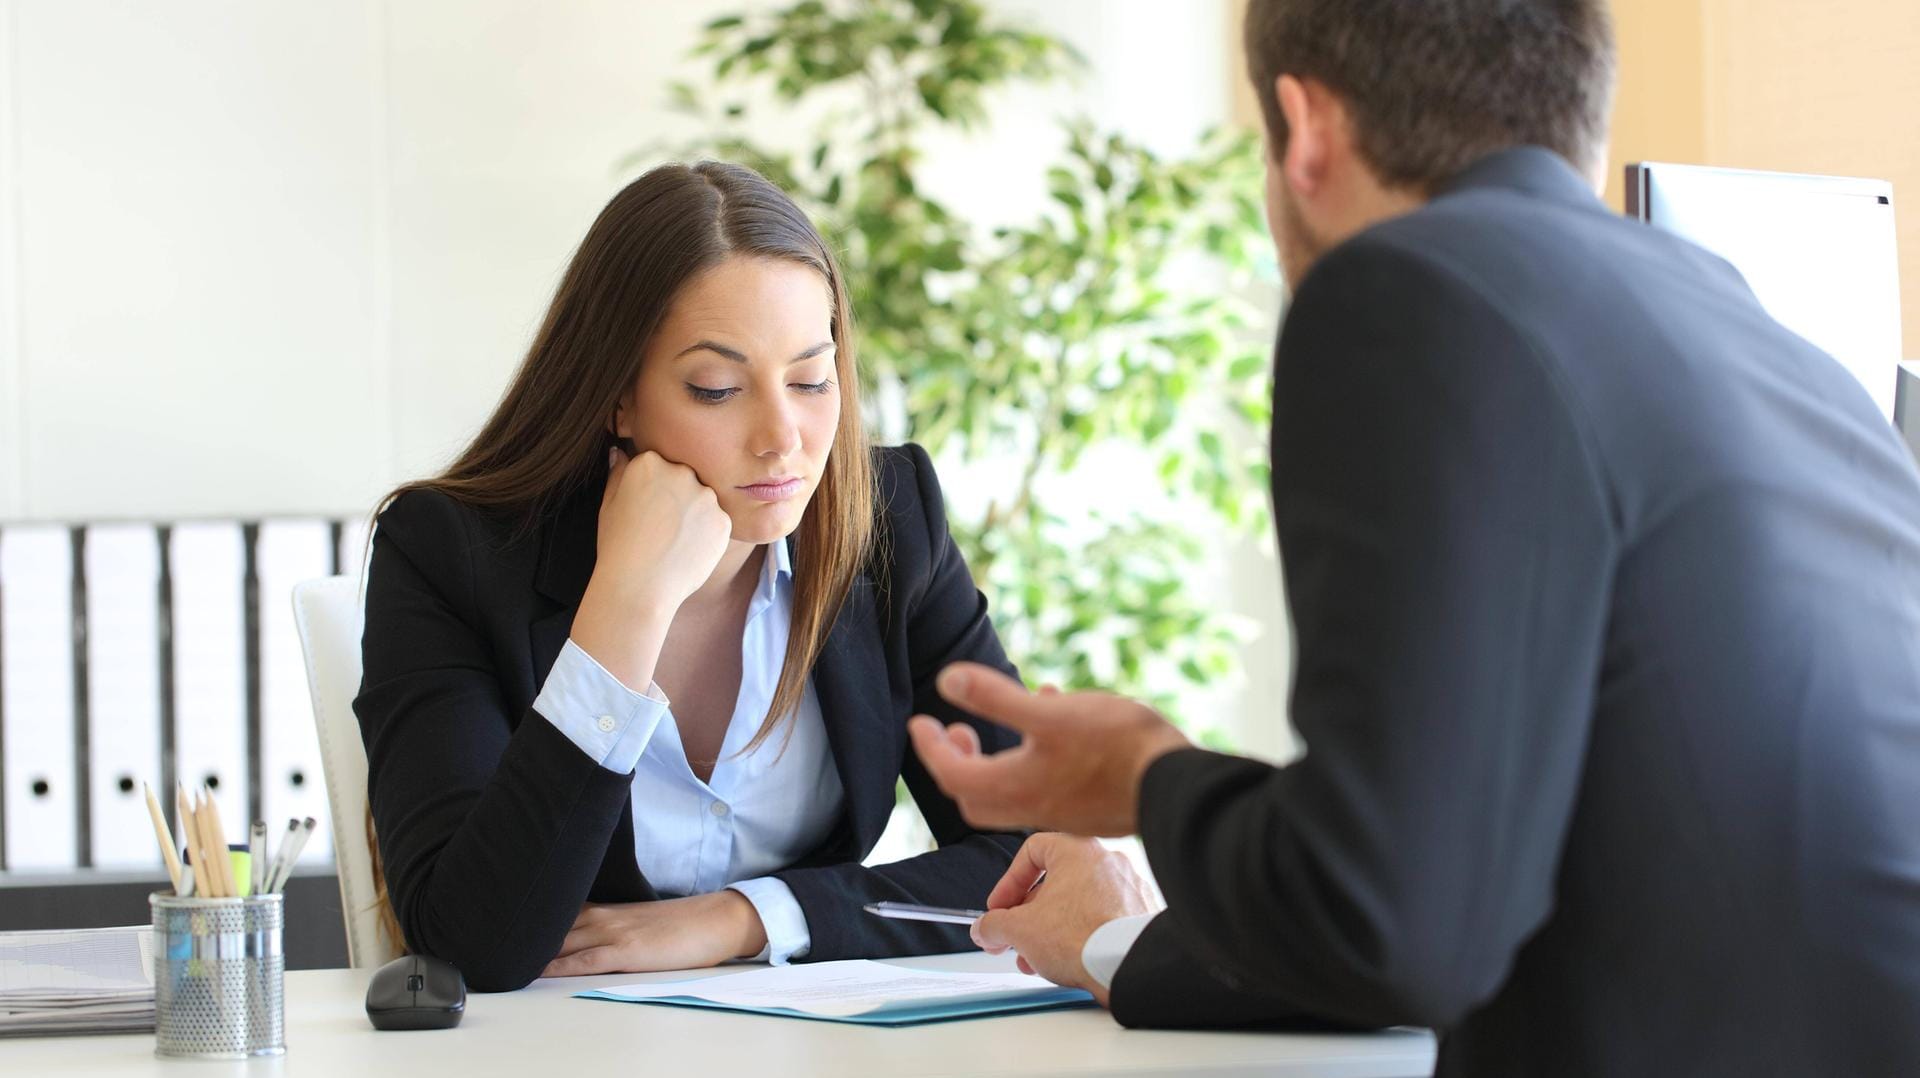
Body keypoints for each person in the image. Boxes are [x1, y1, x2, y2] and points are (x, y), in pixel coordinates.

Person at [906, 1, 1920, 1074]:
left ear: (1303, 127)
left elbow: (1389, 918)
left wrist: (1148, 775)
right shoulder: (1773, 341)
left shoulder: (1407, 282)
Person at [355, 161, 1024, 993]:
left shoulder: (890, 520)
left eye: (813, 380)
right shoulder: (448, 554)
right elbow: (468, 943)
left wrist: (748, 918)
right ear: (617, 396)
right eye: (717, 389)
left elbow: (1032, 860)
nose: (783, 437)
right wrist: (624, 607)